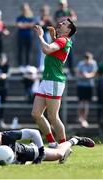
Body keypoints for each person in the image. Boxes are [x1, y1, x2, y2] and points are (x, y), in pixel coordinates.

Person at [31, 18, 76, 148]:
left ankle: (64, 147)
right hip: (47, 79)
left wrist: (40, 36)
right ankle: (51, 142)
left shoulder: (63, 40)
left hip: (54, 81)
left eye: (65, 24)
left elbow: (47, 49)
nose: (60, 23)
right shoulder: (61, 39)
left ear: (68, 30)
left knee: (53, 116)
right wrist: (53, 36)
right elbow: (54, 49)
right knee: (36, 114)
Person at [0, 124, 95, 165]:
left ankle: (75, 140)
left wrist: (40, 154)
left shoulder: (9, 135)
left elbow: (35, 133)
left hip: (30, 151)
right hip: (22, 160)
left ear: (0, 134)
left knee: (59, 154)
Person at [54, 0, 77, 75]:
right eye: (60, 4)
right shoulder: (57, 12)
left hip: (69, 34)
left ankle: (71, 69)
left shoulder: (70, 11)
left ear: (66, 4)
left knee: (69, 51)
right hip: (61, 34)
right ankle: (60, 69)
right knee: (60, 51)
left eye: (63, 4)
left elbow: (74, 18)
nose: (62, 6)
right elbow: (56, 20)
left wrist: (65, 19)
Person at [75, 52, 98, 128]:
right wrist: (83, 76)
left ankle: (84, 119)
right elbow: (77, 73)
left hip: (89, 86)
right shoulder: (81, 63)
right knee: (81, 102)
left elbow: (94, 73)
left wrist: (87, 75)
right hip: (81, 86)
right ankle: (80, 118)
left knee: (86, 103)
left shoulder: (93, 63)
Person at [35, 5, 53, 71]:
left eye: (45, 11)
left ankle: (46, 65)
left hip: (47, 34)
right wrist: (39, 24)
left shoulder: (49, 19)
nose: (43, 12)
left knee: (47, 50)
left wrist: (45, 24)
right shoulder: (38, 18)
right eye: (42, 11)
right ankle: (40, 65)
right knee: (40, 50)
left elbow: (52, 26)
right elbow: (35, 26)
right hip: (40, 35)